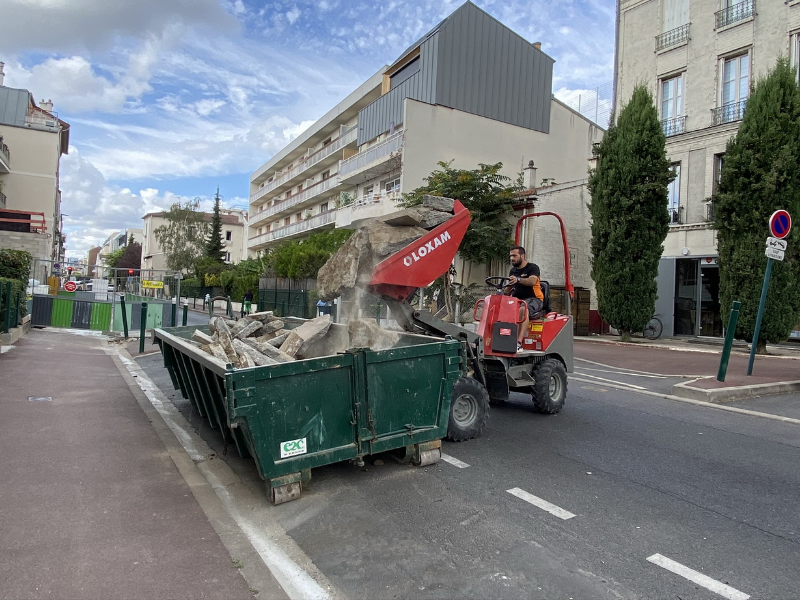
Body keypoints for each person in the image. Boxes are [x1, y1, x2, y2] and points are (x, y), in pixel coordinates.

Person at [504, 246, 544, 350]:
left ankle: (518, 342)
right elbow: (509, 288)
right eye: (510, 256)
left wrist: (518, 279)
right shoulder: (513, 271)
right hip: (517, 300)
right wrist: (502, 294)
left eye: (514, 256)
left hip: (534, 299)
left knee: (523, 308)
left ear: (522, 255)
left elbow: (532, 281)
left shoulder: (532, 268)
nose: (512, 258)